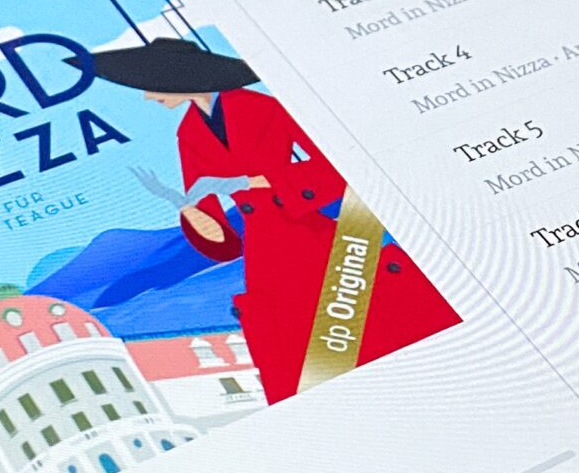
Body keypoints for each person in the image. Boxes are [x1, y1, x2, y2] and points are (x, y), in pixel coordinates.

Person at [90, 35, 459, 405]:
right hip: (264, 253)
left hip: (317, 231)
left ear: (177, 77)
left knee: (381, 327)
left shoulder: (264, 107)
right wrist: (198, 221)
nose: (147, 97)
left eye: (150, 85)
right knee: (305, 365)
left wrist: (263, 182)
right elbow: (213, 221)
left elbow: (340, 167)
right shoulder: (187, 133)